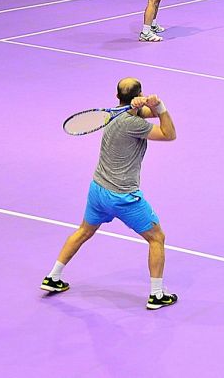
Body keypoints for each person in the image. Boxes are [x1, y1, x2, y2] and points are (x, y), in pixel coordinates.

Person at [40, 77, 178, 310]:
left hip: (98, 191)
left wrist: (148, 104)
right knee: (157, 238)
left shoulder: (114, 113)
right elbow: (169, 133)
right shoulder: (132, 124)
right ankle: (156, 295)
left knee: (84, 231)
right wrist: (160, 106)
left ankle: (53, 277)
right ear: (138, 94)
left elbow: (147, 112)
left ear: (117, 97)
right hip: (123, 197)